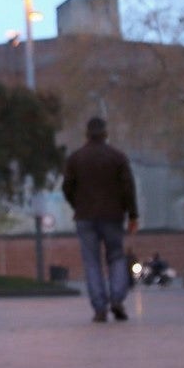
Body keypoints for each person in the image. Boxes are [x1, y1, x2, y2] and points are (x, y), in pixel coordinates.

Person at [62, 117, 139, 322]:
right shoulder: (117, 157)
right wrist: (132, 214)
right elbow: (128, 188)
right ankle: (117, 299)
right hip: (113, 216)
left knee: (92, 262)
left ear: (87, 134)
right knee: (116, 257)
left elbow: (67, 187)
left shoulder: (76, 159)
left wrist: (77, 205)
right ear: (105, 133)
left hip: (85, 217)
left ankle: (99, 307)